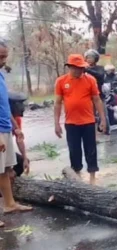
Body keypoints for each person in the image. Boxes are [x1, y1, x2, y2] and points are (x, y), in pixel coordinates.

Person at [54, 54, 106, 185]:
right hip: (71, 123)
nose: (79, 71)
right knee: (74, 150)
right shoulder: (61, 81)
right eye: (76, 68)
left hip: (88, 121)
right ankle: (77, 175)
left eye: (81, 68)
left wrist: (103, 119)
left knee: (91, 149)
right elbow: (58, 103)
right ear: (70, 67)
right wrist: (56, 123)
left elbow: (97, 100)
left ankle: (92, 176)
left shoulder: (90, 80)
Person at [0, 39, 32, 227]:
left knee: (4, 170)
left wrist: (15, 127)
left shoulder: (1, 76)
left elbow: (4, 107)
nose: (3, 60)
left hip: (4, 127)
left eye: (5, 56)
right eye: (0, 57)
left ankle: (9, 204)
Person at [84, 49, 110, 135]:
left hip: (99, 95)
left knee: (103, 113)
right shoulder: (83, 70)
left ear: (95, 58)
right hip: (88, 96)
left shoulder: (100, 68)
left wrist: (88, 70)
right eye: (87, 58)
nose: (88, 59)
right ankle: (93, 134)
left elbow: (100, 76)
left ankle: (106, 130)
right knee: (91, 116)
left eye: (91, 57)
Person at [8, 91, 30, 177]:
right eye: (18, 103)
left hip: (5, 150)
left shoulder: (17, 119)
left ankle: (10, 184)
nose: (22, 107)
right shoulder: (3, 118)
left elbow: (19, 140)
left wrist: (25, 158)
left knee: (21, 162)